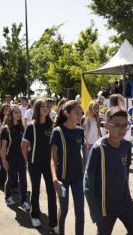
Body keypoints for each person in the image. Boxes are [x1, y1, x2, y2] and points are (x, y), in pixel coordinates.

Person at [84, 107, 133, 235]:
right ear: (106, 125)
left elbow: (125, 175)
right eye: (117, 125)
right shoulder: (98, 148)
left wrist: (128, 196)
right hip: (105, 207)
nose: (122, 129)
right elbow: (88, 183)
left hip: (124, 202)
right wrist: (95, 213)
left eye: (125, 126)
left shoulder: (127, 146)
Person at [21, 98, 58, 232]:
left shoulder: (52, 125)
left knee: (51, 192)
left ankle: (54, 222)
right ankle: (35, 215)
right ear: (37, 109)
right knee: (35, 190)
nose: (45, 108)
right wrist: (28, 160)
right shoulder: (31, 126)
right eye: (42, 106)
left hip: (49, 165)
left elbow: (55, 146)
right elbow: (24, 146)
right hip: (34, 164)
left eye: (47, 106)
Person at [50, 100, 85, 235]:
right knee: (63, 210)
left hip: (78, 178)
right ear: (66, 113)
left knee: (80, 212)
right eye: (77, 112)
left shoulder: (80, 131)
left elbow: (80, 153)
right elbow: (53, 159)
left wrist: (84, 170)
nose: (80, 115)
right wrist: (54, 178)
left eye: (81, 112)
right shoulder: (57, 132)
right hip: (62, 179)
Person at [1, 105, 30, 210]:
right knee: (11, 177)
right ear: (11, 114)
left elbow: (25, 143)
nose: (18, 114)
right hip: (11, 157)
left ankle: (24, 200)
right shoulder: (6, 129)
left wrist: (26, 156)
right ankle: (7, 196)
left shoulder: (21, 126)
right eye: (16, 112)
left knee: (23, 178)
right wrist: (4, 160)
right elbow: (3, 147)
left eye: (19, 112)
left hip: (21, 157)